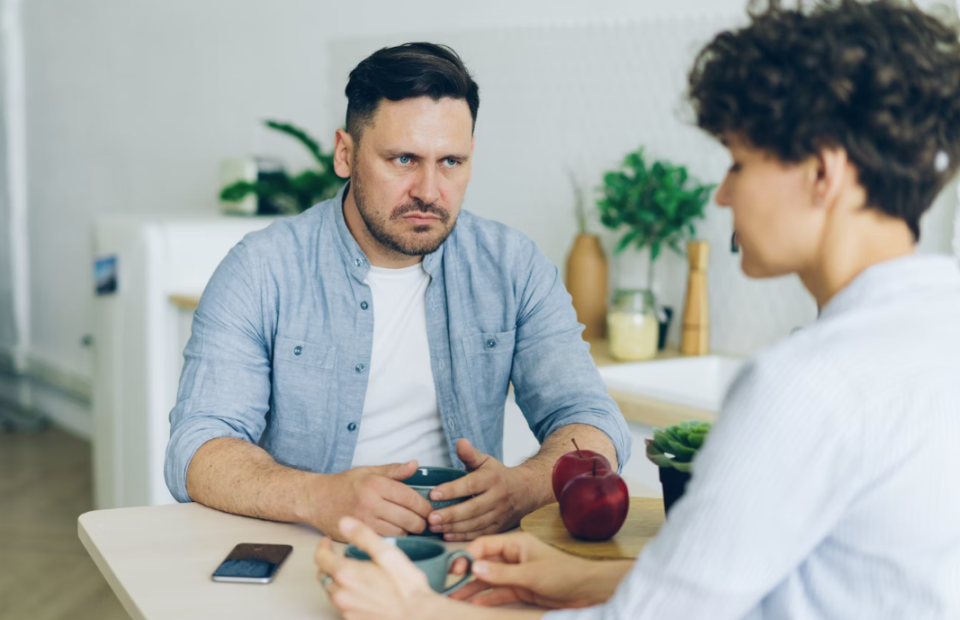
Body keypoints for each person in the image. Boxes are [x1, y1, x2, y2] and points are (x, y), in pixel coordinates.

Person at [315, 1, 960, 617]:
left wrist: (421, 612)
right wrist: (587, 578)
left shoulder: (807, 384)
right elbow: (803, 578)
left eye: (739, 162)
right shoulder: (940, 327)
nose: (724, 192)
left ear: (823, 173)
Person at [163, 42, 631, 542]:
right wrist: (318, 496)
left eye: (451, 161)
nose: (429, 190)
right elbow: (197, 447)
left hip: (462, 558)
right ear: (345, 154)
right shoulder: (261, 270)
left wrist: (526, 486)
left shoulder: (512, 266)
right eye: (404, 158)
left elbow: (591, 420)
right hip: (311, 546)